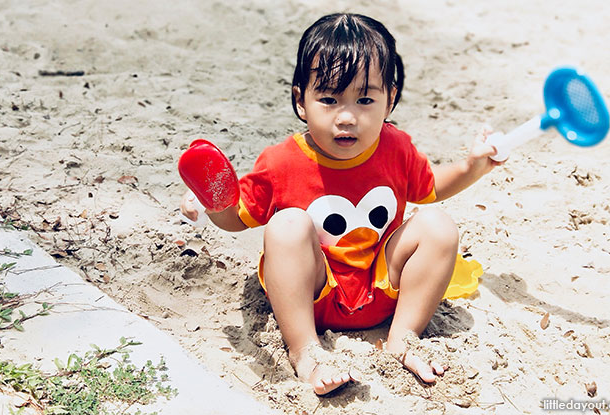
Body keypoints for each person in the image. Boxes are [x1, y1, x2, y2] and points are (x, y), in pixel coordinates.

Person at [181, 12, 501, 395]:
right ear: (302, 101)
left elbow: (430, 187)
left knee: (438, 224)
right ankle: (305, 353)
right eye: (329, 99)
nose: (347, 117)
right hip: (312, 298)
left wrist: (472, 166)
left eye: (365, 99)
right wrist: (215, 200)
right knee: (286, 226)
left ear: (390, 100)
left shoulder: (395, 147)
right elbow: (237, 219)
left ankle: (404, 337)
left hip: (382, 292)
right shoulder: (281, 161)